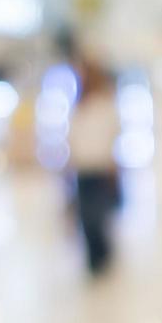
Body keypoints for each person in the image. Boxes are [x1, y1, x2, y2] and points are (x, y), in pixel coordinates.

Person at [68, 58, 122, 276]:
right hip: (82, 169)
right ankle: (92, 260)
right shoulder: (78, 106)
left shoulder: (105, 105)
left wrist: (113, 166)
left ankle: (103, 258)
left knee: (99, 217)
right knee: (85, 218)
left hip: (101, 168)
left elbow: (112, 134)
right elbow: (72, 138)